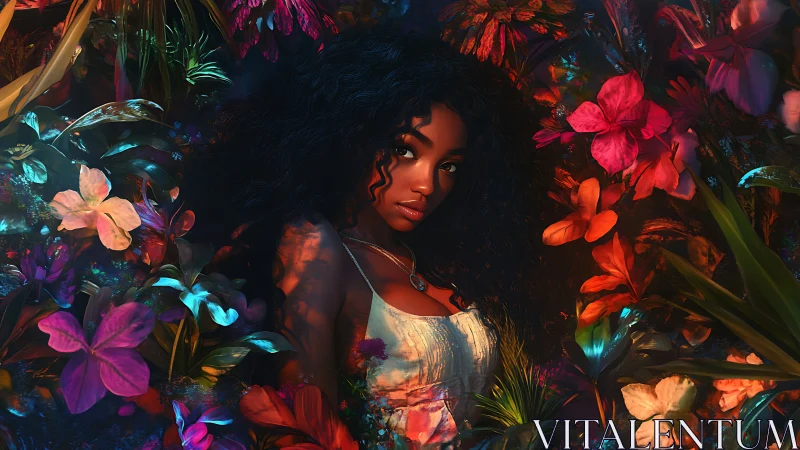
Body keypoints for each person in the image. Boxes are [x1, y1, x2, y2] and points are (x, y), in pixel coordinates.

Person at [196, 25, 550, 449]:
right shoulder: (316, 243)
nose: (427, 185)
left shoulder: (433, 259)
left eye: (448, 165)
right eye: (406, 149)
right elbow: (305, 429)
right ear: (352, 135)